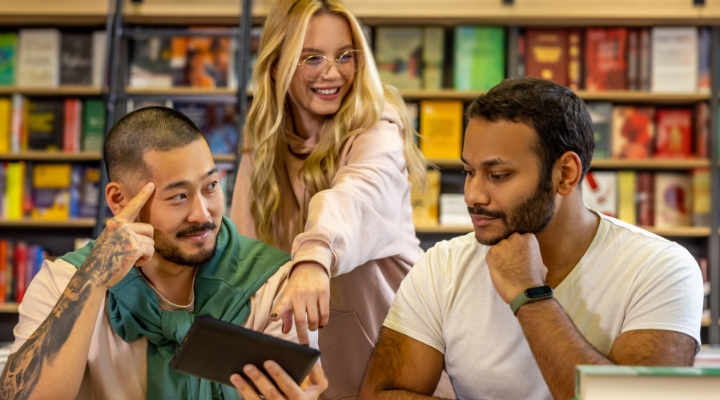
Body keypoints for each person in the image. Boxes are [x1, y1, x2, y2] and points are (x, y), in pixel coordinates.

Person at [360, 77, 704, 400]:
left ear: (565, 175)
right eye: (469, 172)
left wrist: (530, 294)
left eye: (498, 175)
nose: (472, 195)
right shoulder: (443, 265)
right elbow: (381, 394)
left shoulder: (661, 269)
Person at [0, 106, 327, 400]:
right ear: (119, 201)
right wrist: (94, 279)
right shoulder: (64, 283)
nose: (202, 214)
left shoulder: (275, 286)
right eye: (179, 196)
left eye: (211, 186)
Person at [229, 1, 449, 398]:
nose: (332, 72)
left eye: (345, 56)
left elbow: (358, 192)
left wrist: (314, 256)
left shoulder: (376, 124)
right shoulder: (262, 134)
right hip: (309, 372)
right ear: (277, 65)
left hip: (397, 366)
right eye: (311, 58)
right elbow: (245, 249)